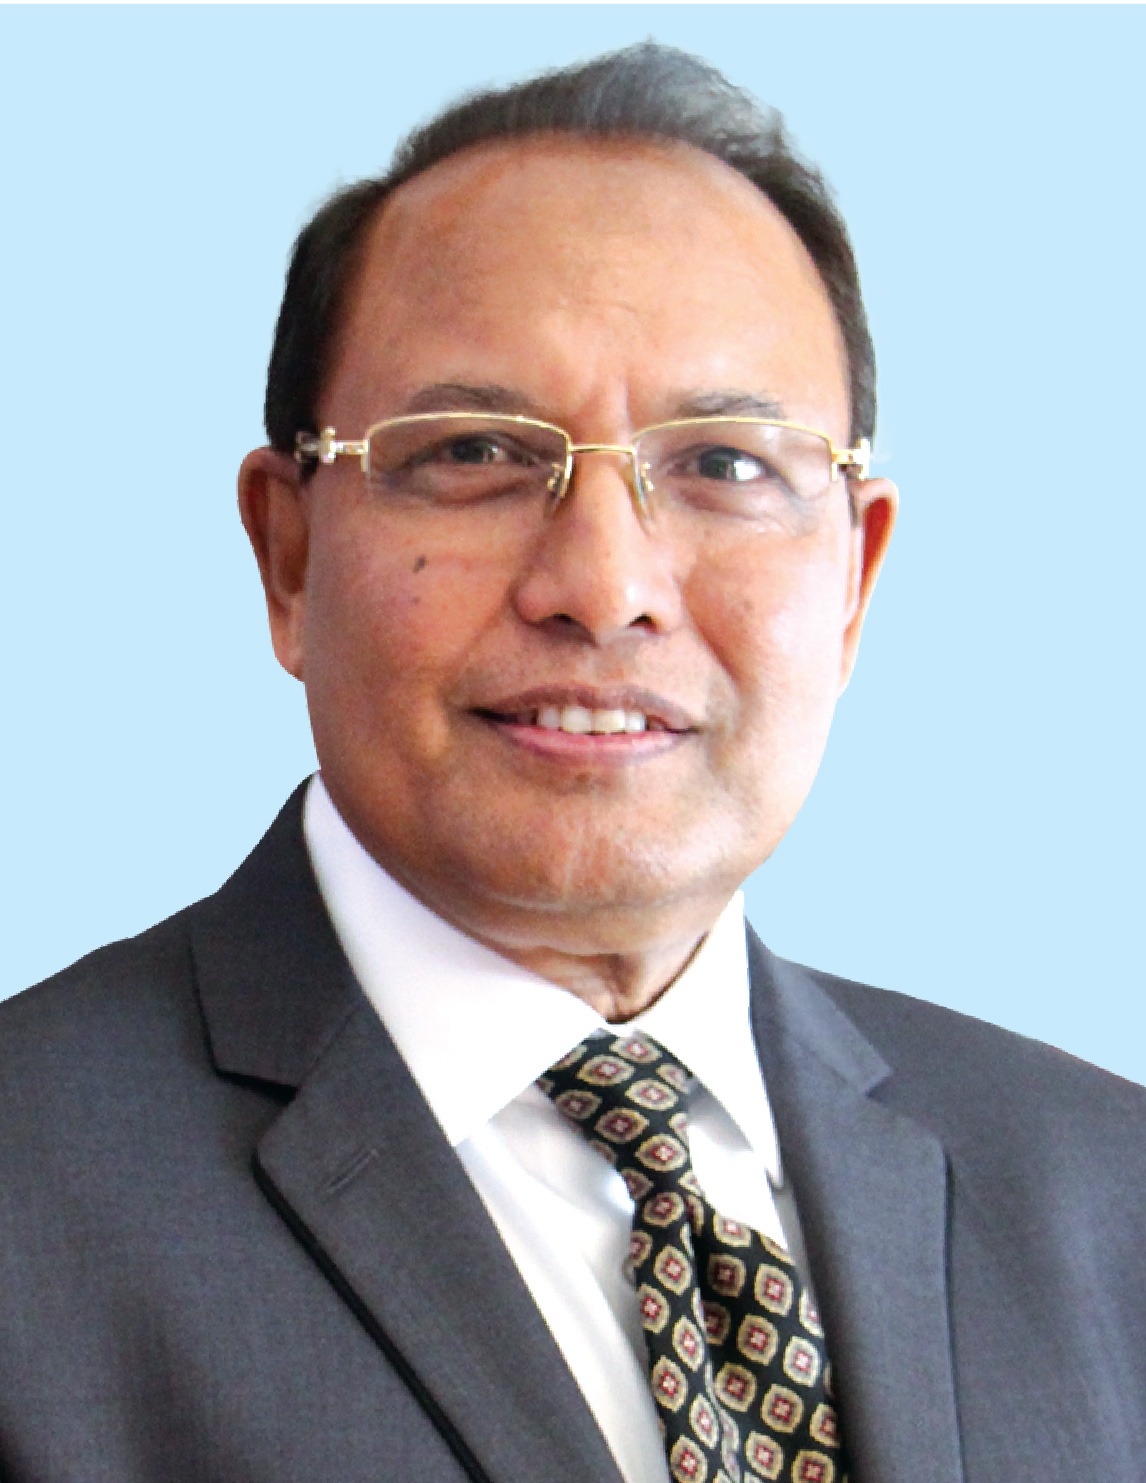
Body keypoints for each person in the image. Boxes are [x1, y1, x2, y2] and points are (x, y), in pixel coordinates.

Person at [1, 42, 1143, 1483]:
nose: (604, 588)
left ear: (853, 582)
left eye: (724, 464)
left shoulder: (1109, 1192)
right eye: (476, 450)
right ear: (288, 556)